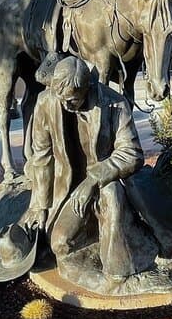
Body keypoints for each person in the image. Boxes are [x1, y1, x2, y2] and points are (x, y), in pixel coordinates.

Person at [21, 55, 144, 281]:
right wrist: (39, 205)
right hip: (67, 189)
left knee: (113, 198)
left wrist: (92, 181)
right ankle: (91, 233)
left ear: (88, 88)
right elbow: (41, 158)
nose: (66, 104)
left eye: (73, 100)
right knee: (59, 244)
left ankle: (118, 266)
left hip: (106, 182)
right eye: (61, 97)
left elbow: (132, 153)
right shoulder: (45, 103)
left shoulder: (114, 103)